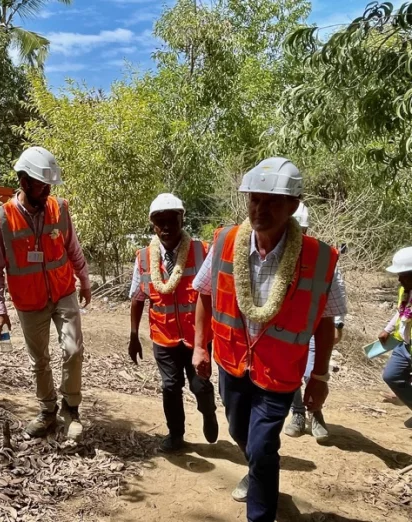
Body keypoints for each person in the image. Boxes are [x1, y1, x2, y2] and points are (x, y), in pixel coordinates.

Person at [192, 158, 347, 522]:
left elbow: (327, 321)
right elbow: (203, 293)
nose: (260, 210)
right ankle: (260, 472)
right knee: (240, 433)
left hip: (279, 372)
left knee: (263, 446)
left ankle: (259, 513)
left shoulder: (319, 258)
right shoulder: (227, 242)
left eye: (272, 202)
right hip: (231, 363)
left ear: (294, 205)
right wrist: (201, 345)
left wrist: (319, 376)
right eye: (254, 200)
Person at [0, 146, 91, 441]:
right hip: (29, 302)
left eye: (49, 186)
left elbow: (72, 247)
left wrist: (84, 278)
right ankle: (47, 412)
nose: (46, 192)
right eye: (41, 185)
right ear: (24, 181)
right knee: (39, 360)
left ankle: (71, 410)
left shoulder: (59, 208)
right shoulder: (1, 220)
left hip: (63, 291)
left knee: (73, 349)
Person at [127, 194, 219, 452]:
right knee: (170, 386)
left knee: (199, 384)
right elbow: (137, 298)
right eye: (160, 221)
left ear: (182, 219)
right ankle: (176, 434)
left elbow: (217, 294)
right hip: (163, 336)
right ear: (152, 224)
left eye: (172, 220)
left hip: (197, 336)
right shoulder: (144, 258)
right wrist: (134, 336)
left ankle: (208, 411)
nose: (166, 227)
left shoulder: (202, 251)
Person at [283, 203, 347, 442]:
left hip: (315, 328)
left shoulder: (322, 257)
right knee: (290, 377)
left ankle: (315, 412)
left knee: (313, 375)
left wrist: (337, 324)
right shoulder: (276, 257)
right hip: (286, 331)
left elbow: (335, 289)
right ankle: (297, 414)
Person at [379, 246, 412, 429]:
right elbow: (401, 311)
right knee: (391, 376)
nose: (399, 279)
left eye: (404, 275)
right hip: (405, 344)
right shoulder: (405, 290)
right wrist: (388, 329)